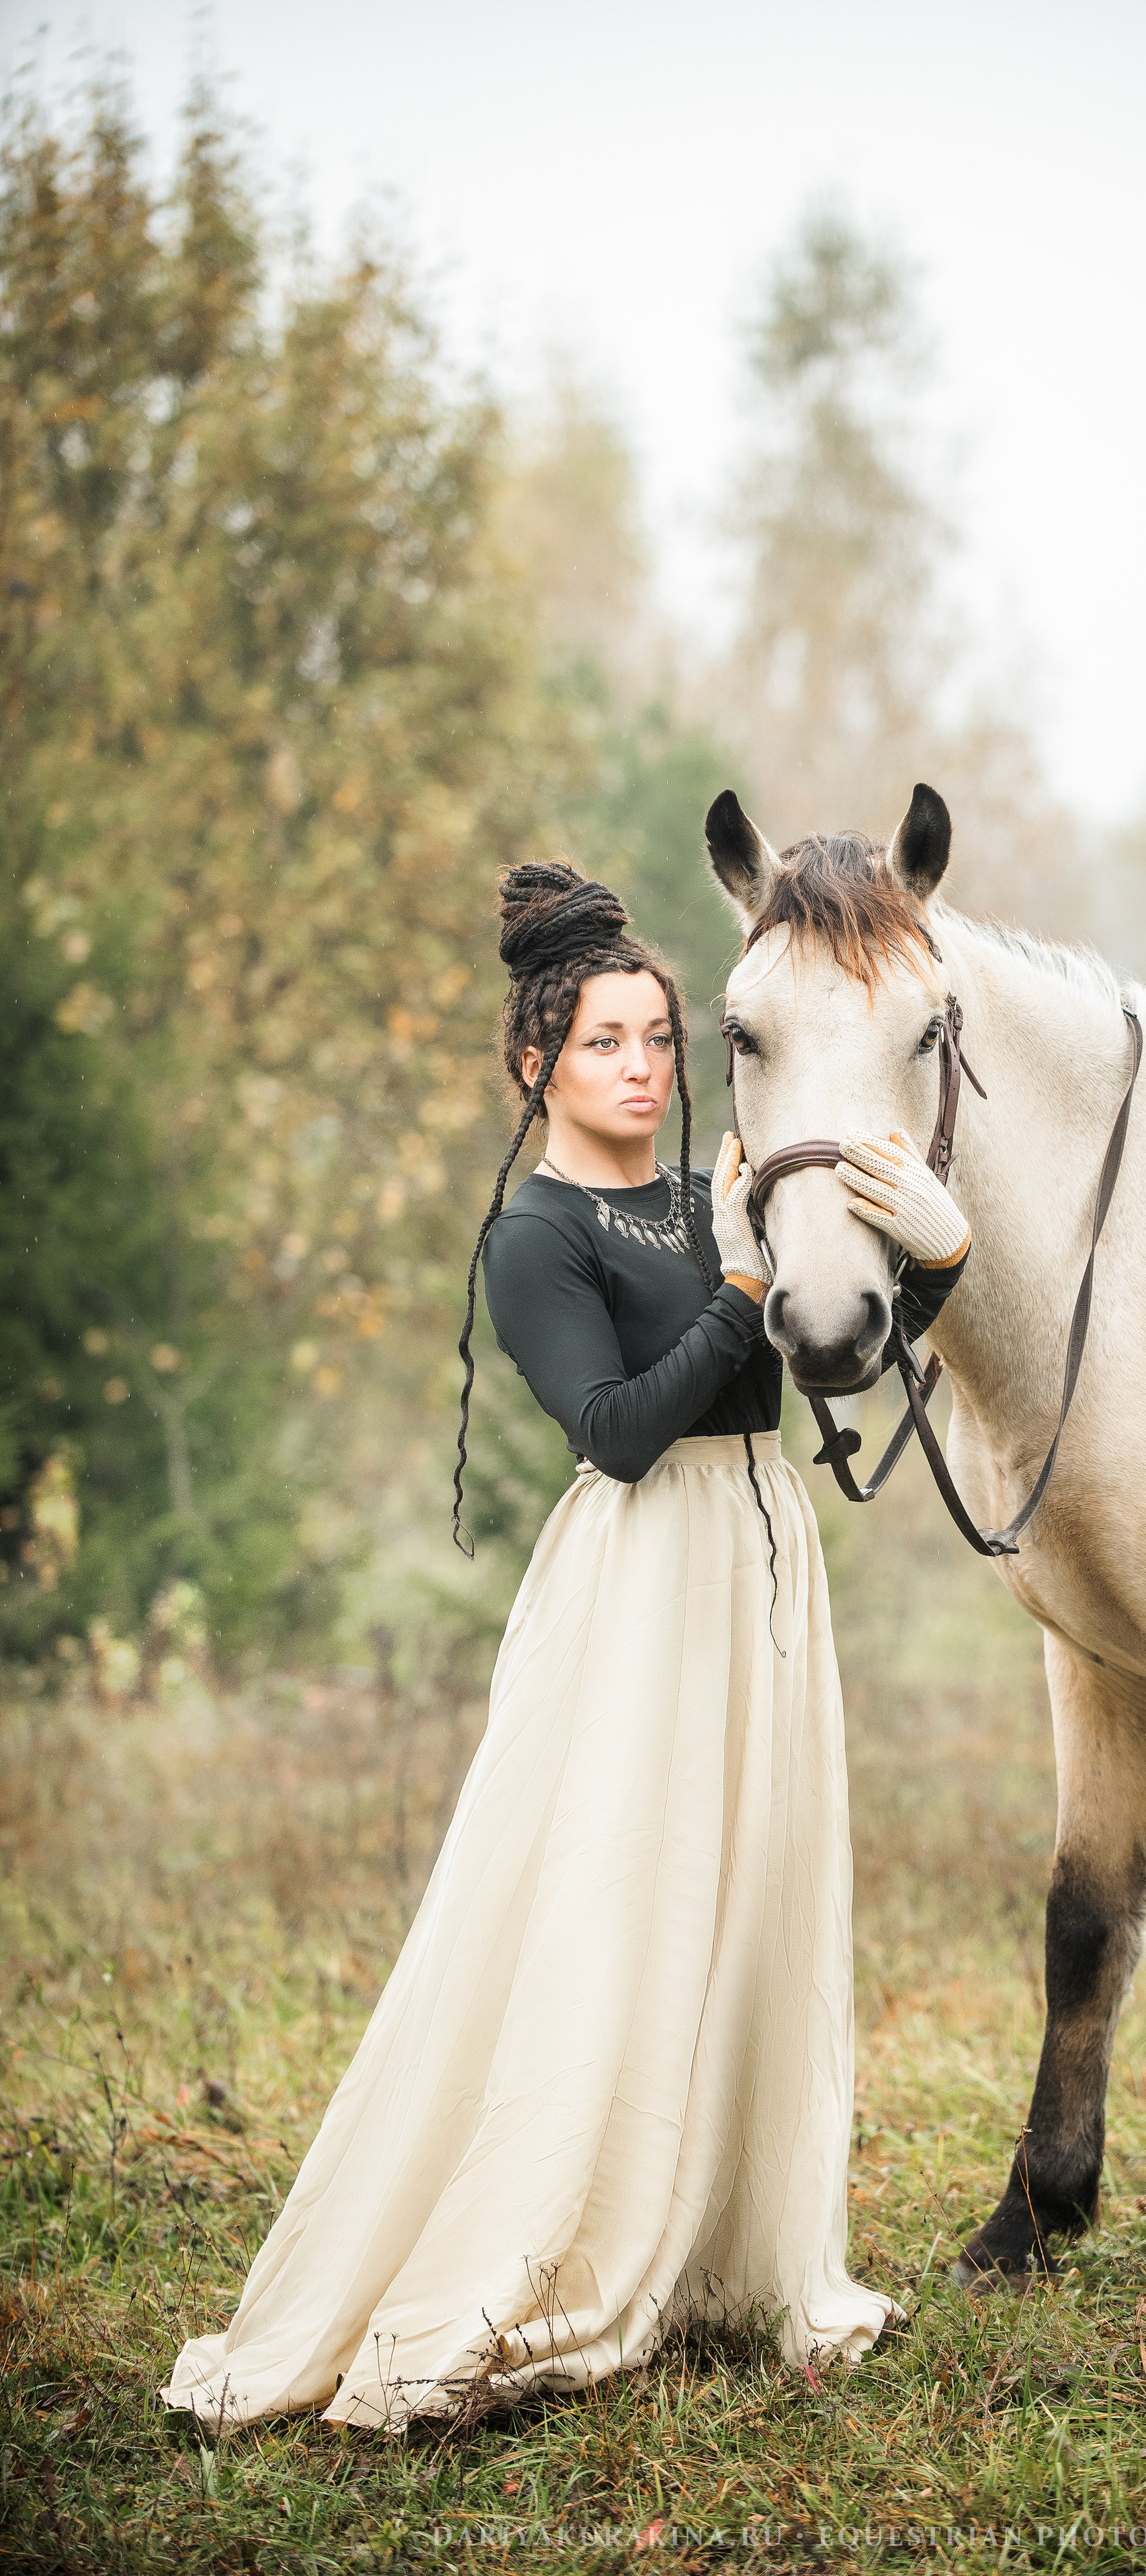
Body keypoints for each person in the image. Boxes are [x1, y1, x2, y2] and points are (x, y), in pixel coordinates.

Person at [161, 861, 969, 2430]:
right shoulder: (535, 1236)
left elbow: (817, 1351)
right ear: (535, 1063)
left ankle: (739, 2246)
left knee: (755, 1889)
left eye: (662, 1039)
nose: (645, 1069)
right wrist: (736, 1283)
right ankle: (554, 2237)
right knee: (620, 1892)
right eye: (609, 1043)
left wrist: (924, 1263)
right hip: (643, 1578)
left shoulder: (700, 1188)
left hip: (758, 1560)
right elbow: (611, 1428)